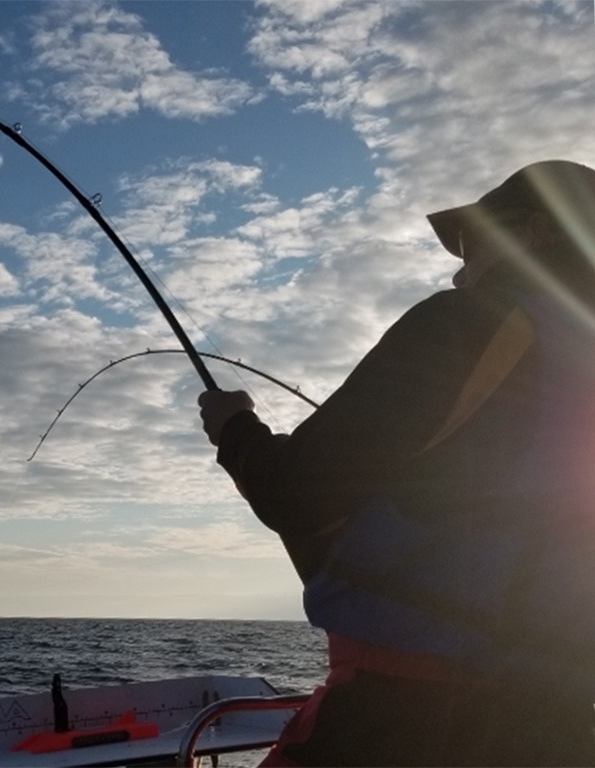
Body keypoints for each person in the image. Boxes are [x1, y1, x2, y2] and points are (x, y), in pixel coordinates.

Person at [198, 159, 595, 766]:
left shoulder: (472, 322)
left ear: (537, 233)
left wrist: (235, 431)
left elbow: (296, 491)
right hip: (562, 721)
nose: (461, 271)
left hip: (409, 716)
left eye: (473, 243)